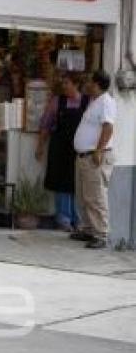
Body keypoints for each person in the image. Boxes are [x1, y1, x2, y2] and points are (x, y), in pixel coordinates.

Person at [35, 73, 89, 232]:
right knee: (61, 183)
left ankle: (78, 220)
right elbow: (46, 124)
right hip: (59, 148)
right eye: (63, 83)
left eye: (67, 83)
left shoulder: (87, 102)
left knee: (77, 183)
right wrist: (40, 146)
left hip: (78, 149)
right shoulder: (57, 101)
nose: (64, 86)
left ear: (76, 84)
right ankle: (63, 219)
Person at [72, 70, 116, 249]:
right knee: (83, 196)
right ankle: (88, 229)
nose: (87, 84)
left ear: (96, 84)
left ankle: (100, 234)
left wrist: (98, 150)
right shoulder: (94, 102)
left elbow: (108, 127)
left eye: (90, 81)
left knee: (96, 197)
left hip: (95, 156)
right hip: (84, 156)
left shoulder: (106, 102)